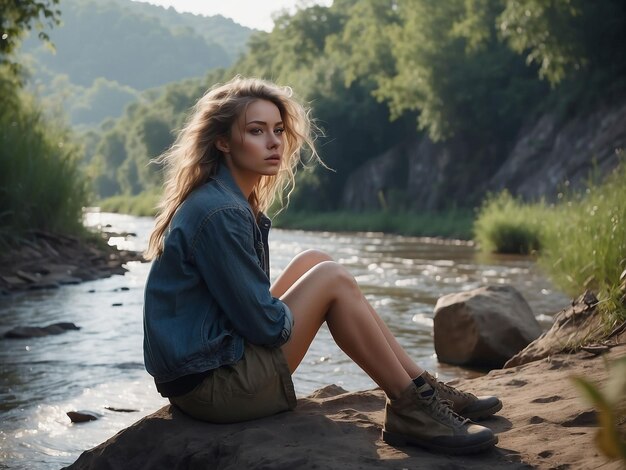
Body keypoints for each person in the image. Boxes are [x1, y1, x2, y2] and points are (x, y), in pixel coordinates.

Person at [143, 76, 502, 455]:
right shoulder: (221, 211)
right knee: (331, 280)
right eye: (256, 131)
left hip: (205, 373)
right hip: (216, 391)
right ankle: (412, 408)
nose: (274, 141)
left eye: (278, 130)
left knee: (316, 261)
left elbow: (251, 314)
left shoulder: (223, 197)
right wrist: (303, 312)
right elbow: (264, 327)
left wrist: (290, 308)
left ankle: (420, 386)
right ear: (222, 141)